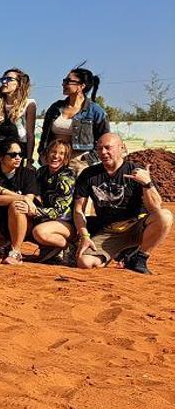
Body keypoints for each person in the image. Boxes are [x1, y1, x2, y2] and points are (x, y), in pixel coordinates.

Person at [72, 133, 172, 274]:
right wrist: (84, 236)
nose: (103, 152)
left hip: (137, 226)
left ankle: (140, 257)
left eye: (108, 148)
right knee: (85, 263)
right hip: (110, 232)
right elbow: (78, 210)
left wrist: (147, 183)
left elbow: (155, 208)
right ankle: (123, 254)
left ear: (122, 148)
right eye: (99, 148)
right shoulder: (89, 174)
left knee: (165, 216)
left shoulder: (136, 171)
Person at [38, 65, 109, 174]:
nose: (64, 84)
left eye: (68, 81)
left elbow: (105, 139)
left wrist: (88, 159)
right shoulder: (55, 108)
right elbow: (45, 136)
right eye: (64, 81)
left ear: (81, 86)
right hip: (54, 160)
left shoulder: (95, 111)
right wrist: (42, 154)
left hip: (79, 164)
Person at [30, 140, 78, 263]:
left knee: (38, 232)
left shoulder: (67, 177)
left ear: (66, 158)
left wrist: (35, 211)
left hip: (64, 223)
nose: (56, 156)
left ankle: (69, 247)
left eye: (61, 153)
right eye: (53, 152)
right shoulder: (41, 171)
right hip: (45, 218)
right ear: (47, 153)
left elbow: (58, 212)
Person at [0, 69, 37, 161]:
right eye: (3, 79)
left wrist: (29, 160)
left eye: (9, 79)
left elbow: (30, 135)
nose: (4, 82)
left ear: (19, 83)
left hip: (17, 153)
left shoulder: (28, 104)